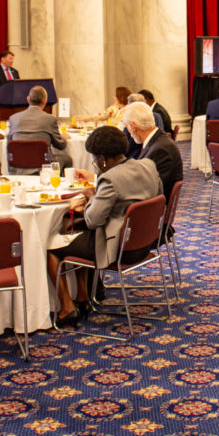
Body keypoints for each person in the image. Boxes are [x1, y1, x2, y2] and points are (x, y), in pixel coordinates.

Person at [48, 127, 163, 325]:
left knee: (52, 246)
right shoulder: (148, 166)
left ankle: (66, 307)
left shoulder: (109, 179)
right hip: (145, 243)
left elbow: (93, 220)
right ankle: (83, 296)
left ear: (101, 159)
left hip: (119, 250)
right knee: (79, 236)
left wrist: (92, 197)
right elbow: (153, 193)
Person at [123, 102, 182, 202]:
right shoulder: (156, 141)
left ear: (133, 126)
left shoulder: (161, 149)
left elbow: (144, 188)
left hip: (152, 207)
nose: (128, 132)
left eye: (127, 127)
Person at [7, 85, 72, 171]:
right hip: (44, 167)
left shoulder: (13, 118)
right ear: (45, 101)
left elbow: (9, 144)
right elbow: (60, 145)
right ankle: (57, 182)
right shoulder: (50, 119)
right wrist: (64, 137)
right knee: (67, 159)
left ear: (28, 99)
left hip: (19, 167)